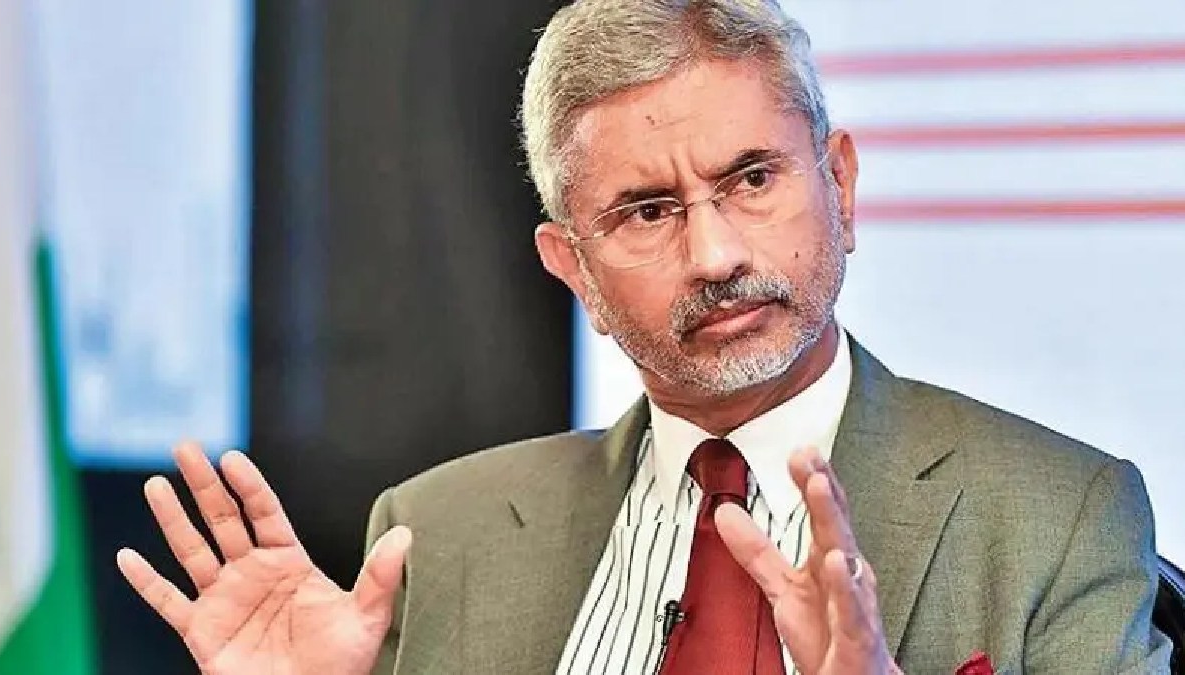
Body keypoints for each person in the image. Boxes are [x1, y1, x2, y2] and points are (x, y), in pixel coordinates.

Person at [116, 1, 1172, 673]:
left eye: (751, 180)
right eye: (648, 211)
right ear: (572, 266)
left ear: (840, 186)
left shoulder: (1060, 515)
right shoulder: (438, 535)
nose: (714, 254)